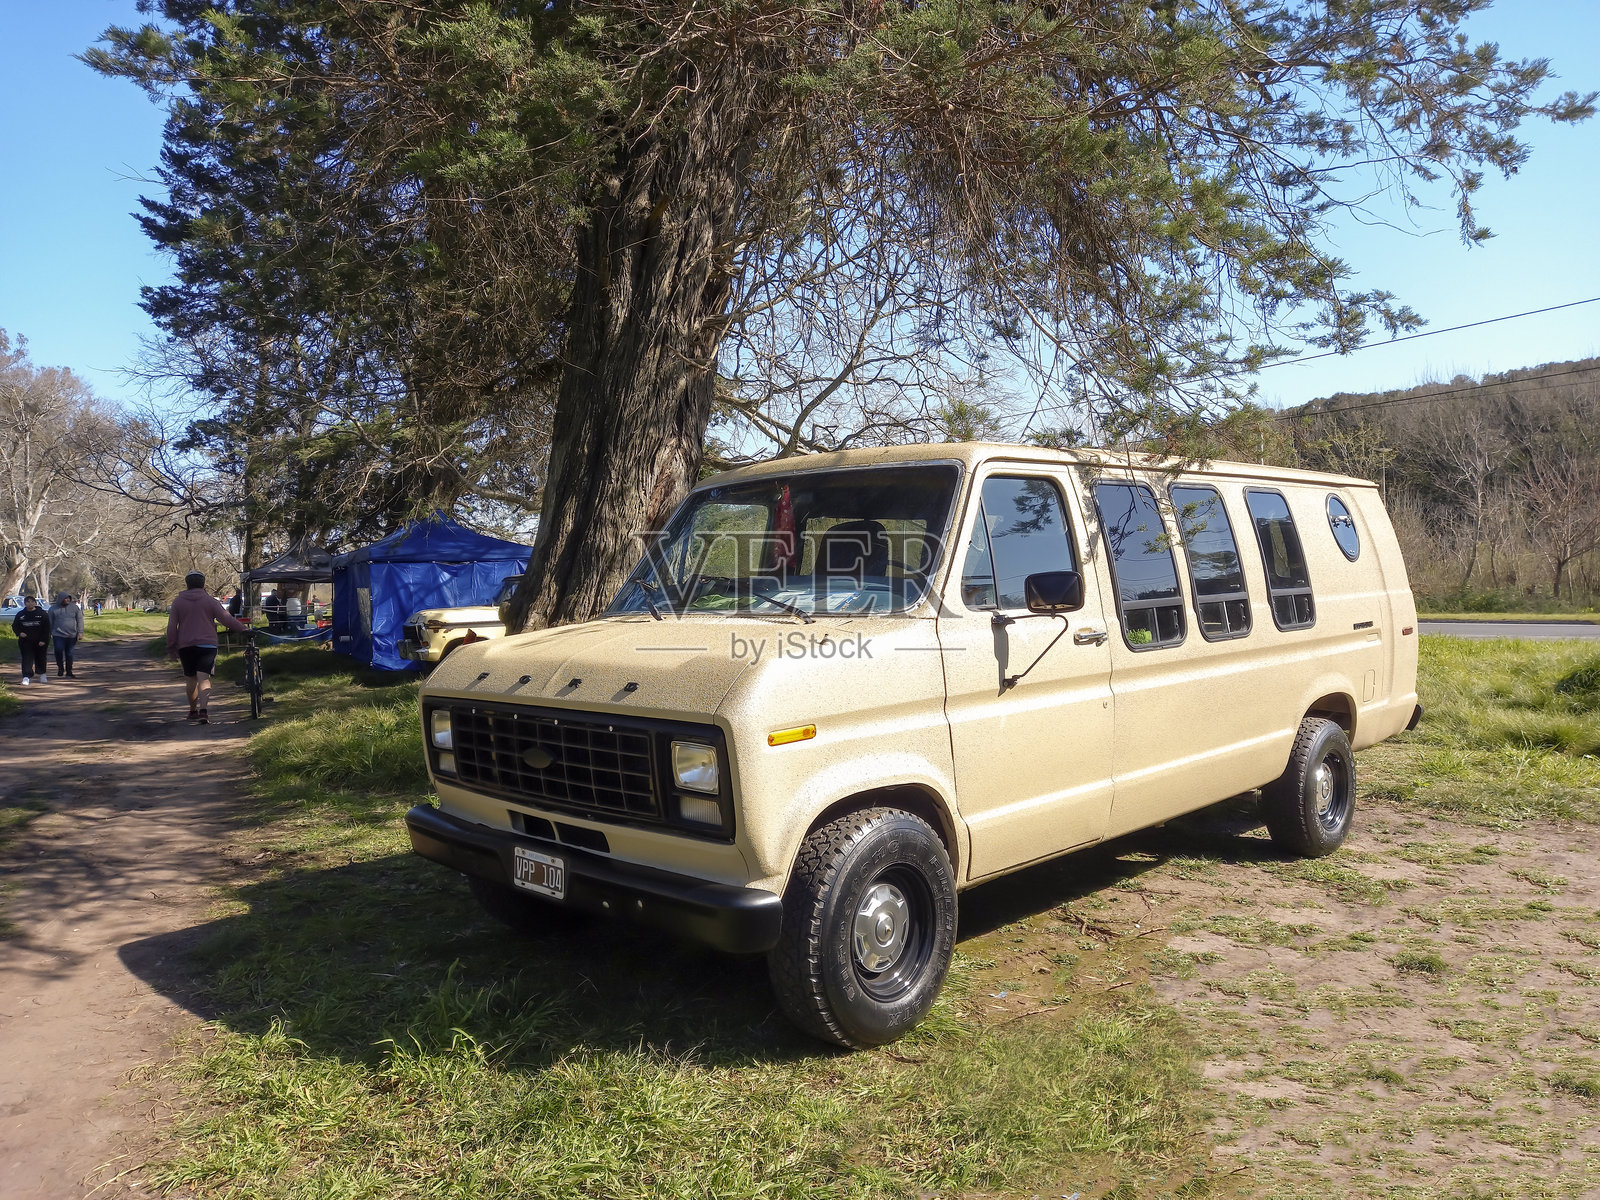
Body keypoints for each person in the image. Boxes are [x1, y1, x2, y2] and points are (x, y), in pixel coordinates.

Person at [166, 571, 249, 723]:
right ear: (203, 584)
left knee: (191, 679)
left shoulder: (178, 602)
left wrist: (171, 646)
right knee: (204, 678)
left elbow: (172, 626)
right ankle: (203, 712)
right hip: (207, 645)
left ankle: (192, 711)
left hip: (186, 645)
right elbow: (226, 619)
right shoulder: (210, 601)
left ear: (187, 584)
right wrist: (243, 629)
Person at [12, 596, 51, 685]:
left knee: (40, 658)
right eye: (28, 602)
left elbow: (47, 628)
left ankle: (42, 674)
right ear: (25, 603)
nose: (30, 603)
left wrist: (43, 640)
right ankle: (26, 677)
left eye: (32, 602)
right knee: (27, 659)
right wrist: (19, 633)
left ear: (35, 603)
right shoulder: (20, 614)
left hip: (40, 641)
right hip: (25, 641)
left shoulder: (42, 614)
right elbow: (15, 626)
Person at [49, 592, 84, 678]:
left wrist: (80, 632)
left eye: (69, 598)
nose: (67, 600)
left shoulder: (75, 608)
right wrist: (48, 633)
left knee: (69, 654)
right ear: (61, 599)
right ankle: (60, 667)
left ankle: (69, 671)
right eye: (65, 598)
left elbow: (80, 620)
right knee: (58, 650)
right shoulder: (53, 609)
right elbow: (50, 622)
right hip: (58, 634)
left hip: (72, 635)